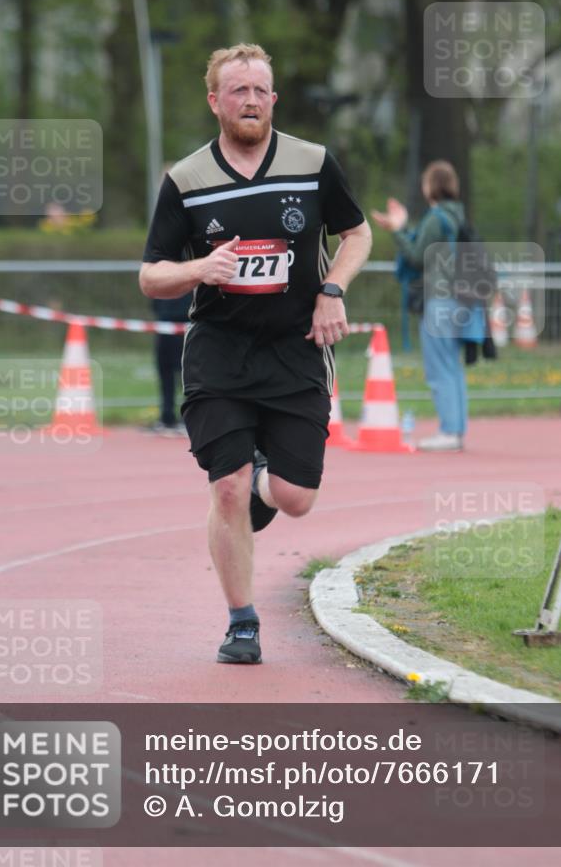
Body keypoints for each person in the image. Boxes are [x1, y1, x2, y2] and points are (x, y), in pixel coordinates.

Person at [139, 43, 372, 664]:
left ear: (273, 99)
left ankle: (263, 487)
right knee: (227, 489)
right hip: (219, 353)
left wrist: (332, 289)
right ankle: (242, 622)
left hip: (296, 350)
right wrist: (199, 268)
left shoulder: (313, 163)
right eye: (236, 90)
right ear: (215, 101)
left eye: (259, 90)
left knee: (295, 497)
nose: (250, 100)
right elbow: (150, 276)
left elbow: (358, 232)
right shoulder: (185, 180)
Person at [372, 160, 472, 452]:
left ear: (431, 186)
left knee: (439, 368)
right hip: (457, 298)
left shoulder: (436, 217)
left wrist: (398, 231)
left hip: (438, 299)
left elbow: (417, 256)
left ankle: (448, 431)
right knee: (452, 366)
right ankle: (456, 429)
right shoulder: (457, 215)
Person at [143, 295, 192, 437]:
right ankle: (166, 417)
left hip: (187, 324)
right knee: (165, 370)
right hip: (163, 323)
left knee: (187, 373)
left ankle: (188, 418)